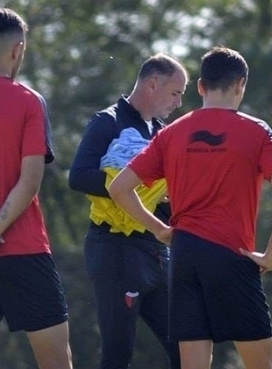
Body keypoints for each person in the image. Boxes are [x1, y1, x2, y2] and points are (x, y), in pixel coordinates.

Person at [109, 46, 272, 369]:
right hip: (232, 255)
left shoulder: (170, 134)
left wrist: (160, 229)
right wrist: (271, 256)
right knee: (262, 363)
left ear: (200, 86)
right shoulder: (257, 131)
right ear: (240, 84)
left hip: (184, 256)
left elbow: (119, 188)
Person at [0, 7, 74, 369]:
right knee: (56, 362)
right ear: (17, 50)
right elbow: (29, 181)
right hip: (23, 249)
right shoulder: (29, 100)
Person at [68, 53, 188, 369]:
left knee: (186, 347)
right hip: (114, 248)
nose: (178, 103)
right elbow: (79, 176)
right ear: (153, 84)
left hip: (155, 250)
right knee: (118, 354)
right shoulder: (107, 121)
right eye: (175, 93)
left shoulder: (162, 132)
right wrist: (134, 187)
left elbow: (163, 197)